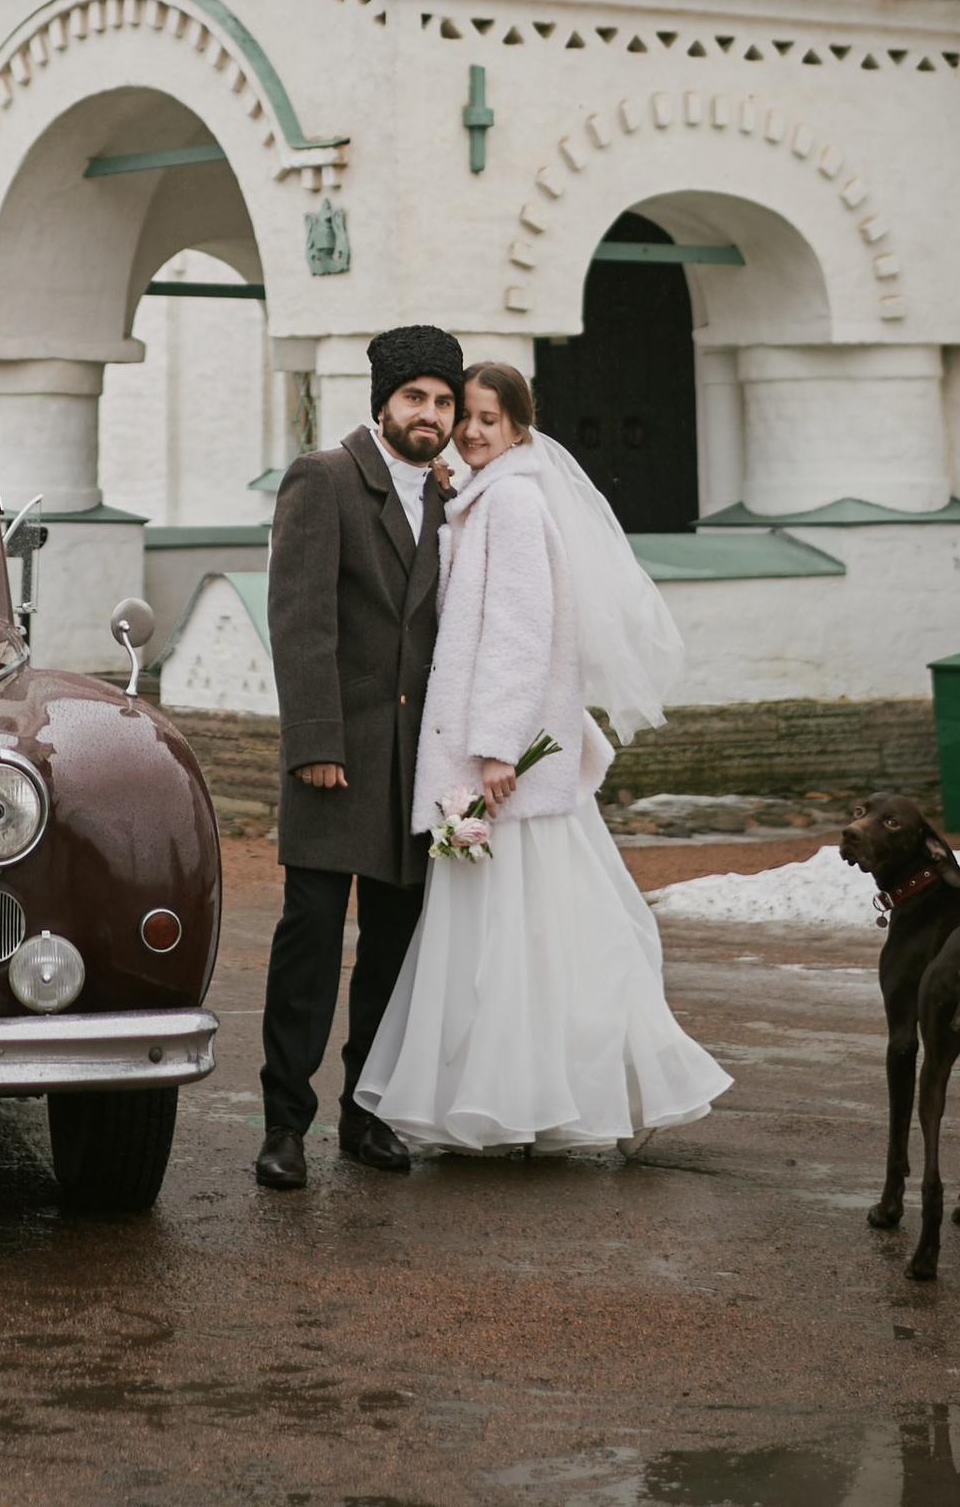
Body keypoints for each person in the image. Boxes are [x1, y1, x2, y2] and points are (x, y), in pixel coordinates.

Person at [354, 357, 732, 1158]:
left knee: (530, 937)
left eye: (490, 419)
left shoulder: (515, 503)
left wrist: (499, 749)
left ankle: (599, 1089)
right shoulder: (482, 500)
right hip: (489, 759)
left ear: (521, 428)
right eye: (467, 418)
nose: (472, 431)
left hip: (502, 766)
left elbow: (520, 637)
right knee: (520, 941)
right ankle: (527, 1099)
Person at [254, 324, 461, 1188]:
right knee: (310, 937)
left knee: (393, 946)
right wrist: (314, 743)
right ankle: (284, 1126)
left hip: (417, 769)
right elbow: (300, 621)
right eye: (416, 397)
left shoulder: (454, 497)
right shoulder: (326, 478)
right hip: (337, 758)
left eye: (445, 401)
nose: (431, 414)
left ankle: (366, 1114)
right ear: (382, 402)